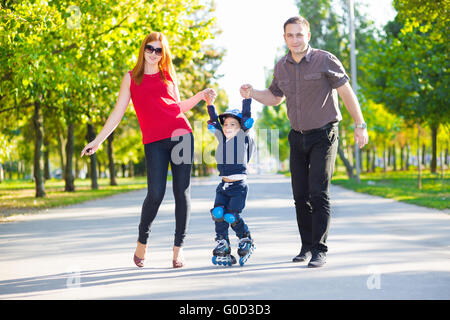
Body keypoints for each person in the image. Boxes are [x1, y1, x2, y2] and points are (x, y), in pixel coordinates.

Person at [240, 16, 368, 268]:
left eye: (300, 34)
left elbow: (345, 93)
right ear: (284, 38)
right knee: (300, 195)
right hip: (297, 136)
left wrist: (360, 124)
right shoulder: (281, 66)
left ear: (308, 36)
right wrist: (252, 93)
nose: (295, 39)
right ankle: (306, 246)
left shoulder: (325, 60)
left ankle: (320, 249)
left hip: (324, 134)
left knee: (318, 192)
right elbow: (275, 97)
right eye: (290, 35)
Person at [81, 31, 212, 268]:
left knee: (182, 194)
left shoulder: (168, 74)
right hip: (153, 141)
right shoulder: (131, 78)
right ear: (143, 49)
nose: (153, 53)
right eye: (149, 48)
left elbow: (178, 106)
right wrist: (98, 140)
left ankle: (178, 249)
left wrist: (201, 96)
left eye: (158, 50)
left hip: (181, 135)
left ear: (164, 53)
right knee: (155, 194)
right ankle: (142, 241)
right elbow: (118, 112)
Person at [205, 89, 256, 266]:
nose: (227, 127)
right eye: (226, 124)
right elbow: (215, 123)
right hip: (224, 186)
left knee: (231, 216)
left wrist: (247, 100)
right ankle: (223, 242)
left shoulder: (243, 137)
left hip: (238, 187)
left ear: (241, 126)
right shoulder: (222, 138)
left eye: (232, 124)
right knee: (218, 213)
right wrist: (210, 104)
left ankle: (245, 238)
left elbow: (247, 118)